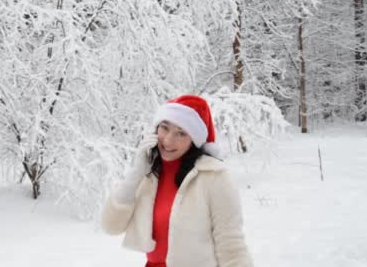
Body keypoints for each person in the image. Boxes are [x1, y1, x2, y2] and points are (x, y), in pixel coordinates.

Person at [101, 95, 253, 267]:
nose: (168, 140)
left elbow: (232, 246)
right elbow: (111, 226)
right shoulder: (149, 173)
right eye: (164, 128)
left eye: (181, 133)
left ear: (194, 140)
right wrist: (136, 172)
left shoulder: (213, 175)